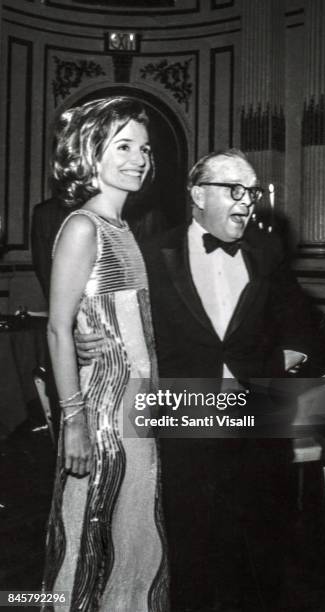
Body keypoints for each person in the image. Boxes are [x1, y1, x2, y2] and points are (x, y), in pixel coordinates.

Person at [77, 149, 325, 611]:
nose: (247, 201)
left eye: (251, 191)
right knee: (189, 553)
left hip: (256, 417)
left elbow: (304, 325)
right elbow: (113, 317)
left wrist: (280, 362)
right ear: (197, 194)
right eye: (234, 189)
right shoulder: (151, 254)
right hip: (183, 422)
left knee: (258, 554)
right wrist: (82, 336)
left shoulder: (266, 252)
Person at [43, 96, 169, 612]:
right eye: (123, 145)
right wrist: (73, 421)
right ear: (92, 151)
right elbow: (56, 328)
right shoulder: (82, 227)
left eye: (143, 148)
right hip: (102, 413)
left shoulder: (124, 229)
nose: (139, 157)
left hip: (140, 409)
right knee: (90, 536)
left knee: (135, 535)